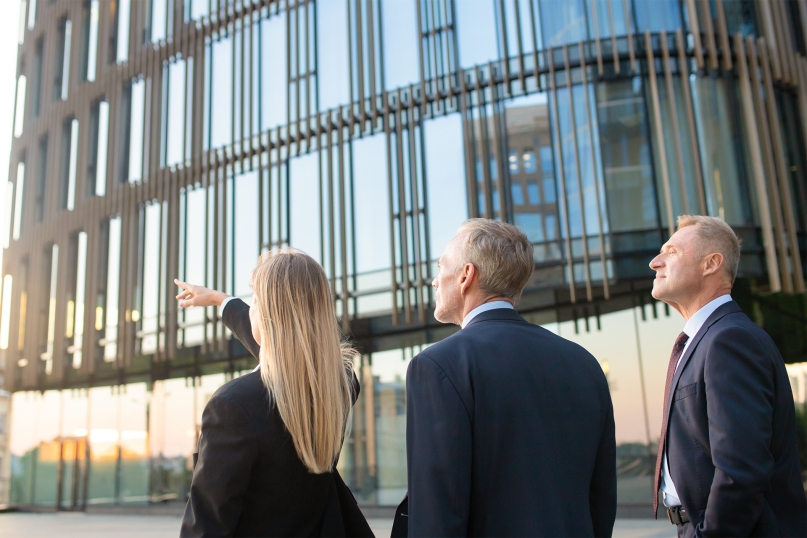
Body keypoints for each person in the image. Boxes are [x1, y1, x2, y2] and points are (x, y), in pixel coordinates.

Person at [391, 218, 617, 537]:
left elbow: (437, 512)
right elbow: (601, 500)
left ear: (466, 276)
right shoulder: (584, 363)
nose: (434, 281)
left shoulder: (438, 364)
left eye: (441, 266)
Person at [175, 249, 373, 537]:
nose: (251, 308)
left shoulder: (232, 407)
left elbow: (207, 527)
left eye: (255, 300)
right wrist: (221, 300)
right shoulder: (342, 385)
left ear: (267, 316)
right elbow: (289, 354)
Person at [649, 215, 806, 536]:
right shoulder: (710, 339)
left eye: (671, 252)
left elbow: (742, 467)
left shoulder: (729, 339)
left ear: (711, 264)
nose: (655, 262)